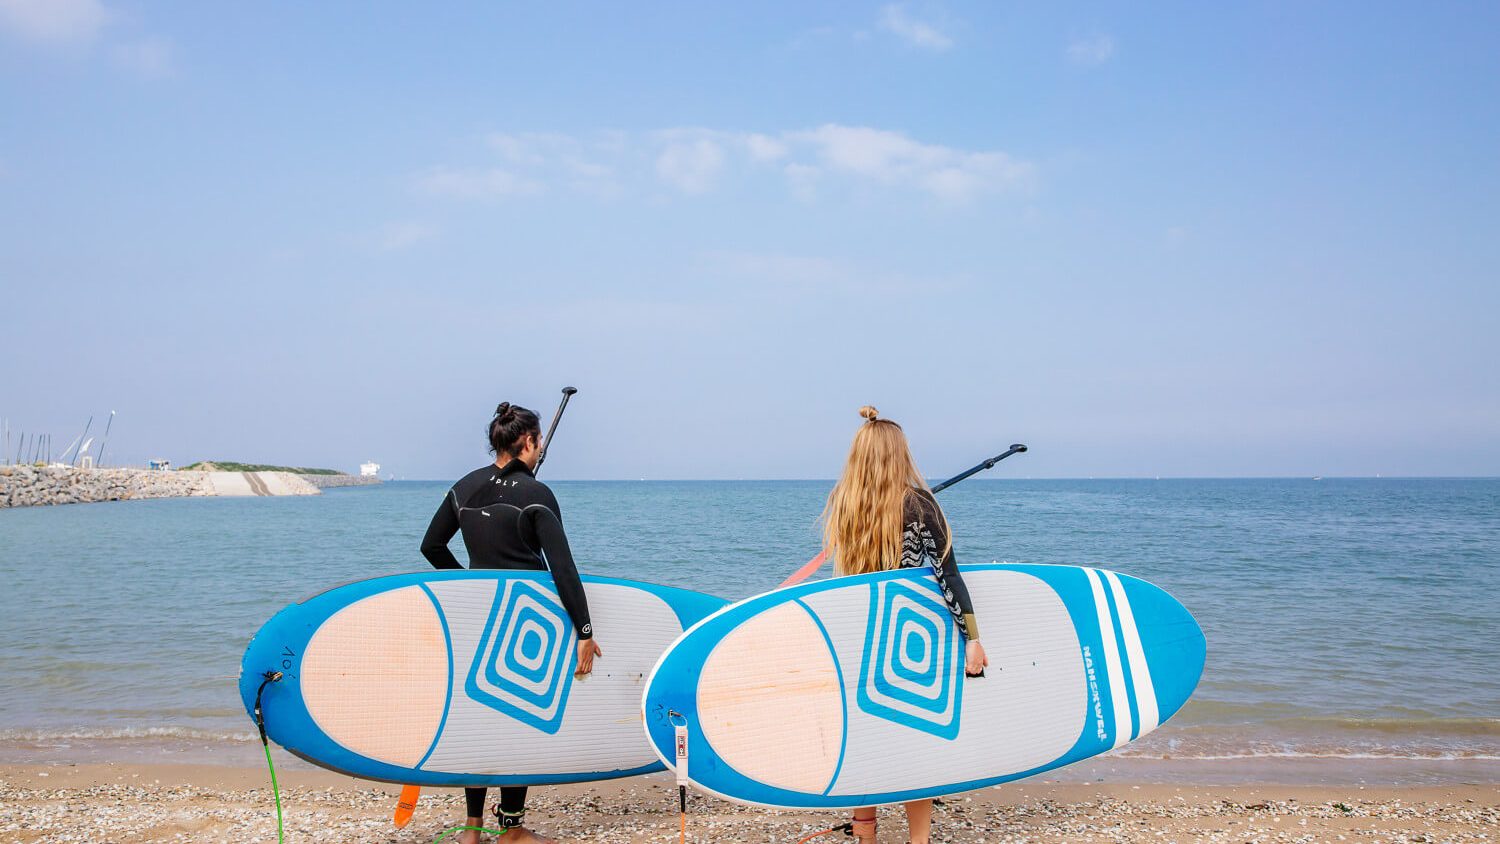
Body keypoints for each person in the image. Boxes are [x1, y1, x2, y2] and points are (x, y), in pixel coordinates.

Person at [420, 401, 604, 844]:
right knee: (518, 716)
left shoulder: (464, 487)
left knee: (479, 715)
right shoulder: (536, 494)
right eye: (537, 443)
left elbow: (432, 546)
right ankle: (512, 828)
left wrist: (471, 586)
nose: (539, 450)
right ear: (529, 441)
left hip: (480, 617)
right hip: (526, 618)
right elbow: (563, 568)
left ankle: (472, 829)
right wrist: (584, 630)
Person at [819, 405, 989, 844]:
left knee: (866, 741)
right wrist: (972, 638)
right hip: (905, 641)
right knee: (915, 742)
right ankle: (919, 841)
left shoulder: (844, 506)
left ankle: (866, 839)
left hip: (857, 640)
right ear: (899, 455)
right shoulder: (918, 503)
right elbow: (947, 575)